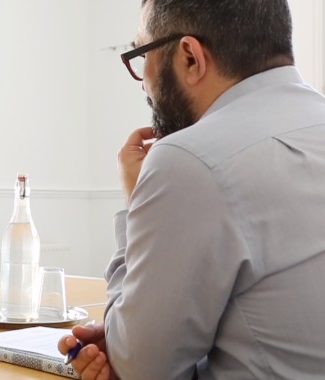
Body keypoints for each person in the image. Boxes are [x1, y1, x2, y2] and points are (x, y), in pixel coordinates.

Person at [59, 0, 325, 379]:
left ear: (189, 57)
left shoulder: (189, 159)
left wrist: (135, 206)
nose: (145, 81)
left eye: (142, 54)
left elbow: (141, 371)